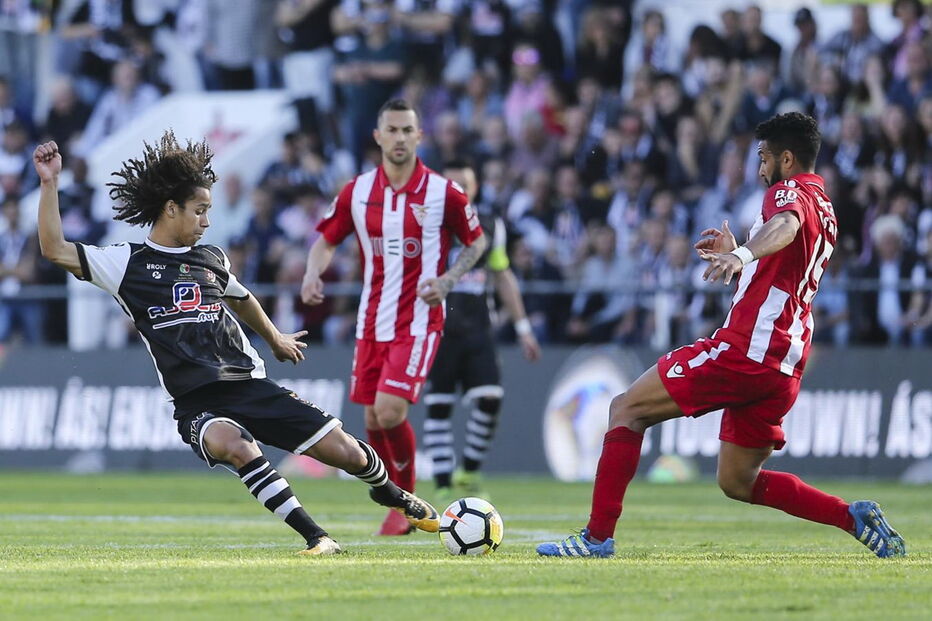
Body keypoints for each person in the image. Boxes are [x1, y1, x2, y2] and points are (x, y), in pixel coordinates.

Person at [33, 132, 440, 556]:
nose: (206, 221)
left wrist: (275, 338)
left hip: (249, 384)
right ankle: (317, 537)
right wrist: (49, 184)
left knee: (346, 454)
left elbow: (242, 298)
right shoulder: (125, 263)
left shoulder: (211, 258)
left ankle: (391, 493)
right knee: (234, 445)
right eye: (200, 211)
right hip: (196, 400)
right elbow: (54, 248)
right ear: (171, 209)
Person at [537, 113, 907, 559]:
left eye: (764, 158)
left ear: (787, 158)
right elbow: (785, 260)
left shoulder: (787, 193)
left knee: (626, 408)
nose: (760, 170)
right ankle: (852, 516)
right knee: (738, 481)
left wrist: (743, 252)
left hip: (747, 349)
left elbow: (786, 225)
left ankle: (596, 539)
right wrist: (744, 255)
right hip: (784, 361)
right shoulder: (824, 204)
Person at [301, 99, 487, 535]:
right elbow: (327, 239)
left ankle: (405, 501)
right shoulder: (357, 191)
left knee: (388, 411)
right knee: (369, 421)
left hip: (420, 320)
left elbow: (476, 242)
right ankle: (398, 496)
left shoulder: (444, 193)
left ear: (419, 137)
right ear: (378, 136)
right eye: (393, 130)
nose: (400, 138)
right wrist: (312, 272)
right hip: (371, 320)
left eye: (408, 130)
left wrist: (447, 280)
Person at [422, 162, 540, 504]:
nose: (459, 190)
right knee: (439, 406)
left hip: (477, 327)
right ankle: (443, 481)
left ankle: (469, 469)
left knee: (490, 399)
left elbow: (503, 276)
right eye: (452, 184)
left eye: (465, 184)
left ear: (474, 189)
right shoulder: (428, 223)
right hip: (436, 326)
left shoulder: (490, 225)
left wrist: (523, 329)